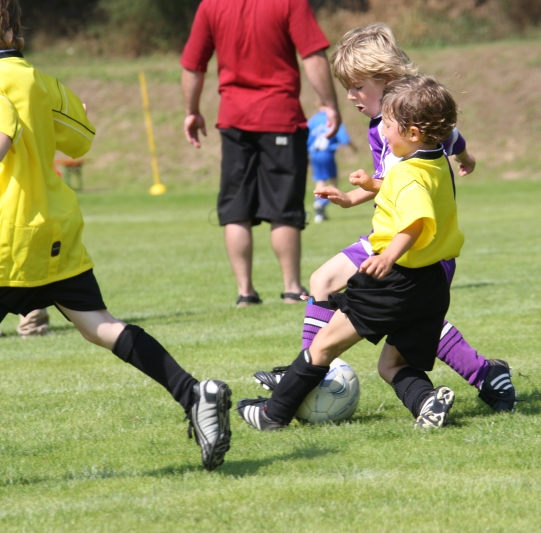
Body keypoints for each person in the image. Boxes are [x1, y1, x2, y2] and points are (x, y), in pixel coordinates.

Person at [0, 0, 231, 471]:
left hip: (8, 237)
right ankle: (194, 393)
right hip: (55, 230)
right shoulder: (41, 82)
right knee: (99, 325)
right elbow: (80, 137)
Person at [252, 23, 517, 412]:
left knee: (408, 324)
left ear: (388, 80)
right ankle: (310, 370)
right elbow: (402, 172)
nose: (350, 96)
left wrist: (464, 156)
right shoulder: (392, 126)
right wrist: (350, 197)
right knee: (324, 281)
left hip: (419, 246)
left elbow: (440, 146)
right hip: (393, 237)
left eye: (358, 86)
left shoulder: (407, 123)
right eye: (348, 87)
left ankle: (483, 373)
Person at [240, 76, 464, 430]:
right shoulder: (434, 162)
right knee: (392, 365)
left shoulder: (407, 176)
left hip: (395, 280)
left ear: (413, 133)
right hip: (431, 284)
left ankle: (273, 414)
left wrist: (387, 256)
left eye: (387, 125)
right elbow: (409, 190)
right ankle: (427, 401)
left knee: (322, 347)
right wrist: (363, 189)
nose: (382, 133)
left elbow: (416, 222)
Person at [180, 0, 342, 306]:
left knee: (236, 207)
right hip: (280, 116)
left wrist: (192, 110)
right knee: (284, 205)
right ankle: (291, 288)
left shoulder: (211, 6)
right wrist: (329, 104)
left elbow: (192, 64)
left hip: (234, 119)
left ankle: (245, 292)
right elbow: (312, 55)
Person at [307, 102, 355, 223]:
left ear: (317, 104)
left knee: (320, 181)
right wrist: (353, 147)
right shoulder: (332, 117)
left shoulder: (313, 120)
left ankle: (319, 212)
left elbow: (306, 138)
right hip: (326, 153)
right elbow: (343, 137)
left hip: (314, 154)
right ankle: (321, 203)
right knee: (334, 181)